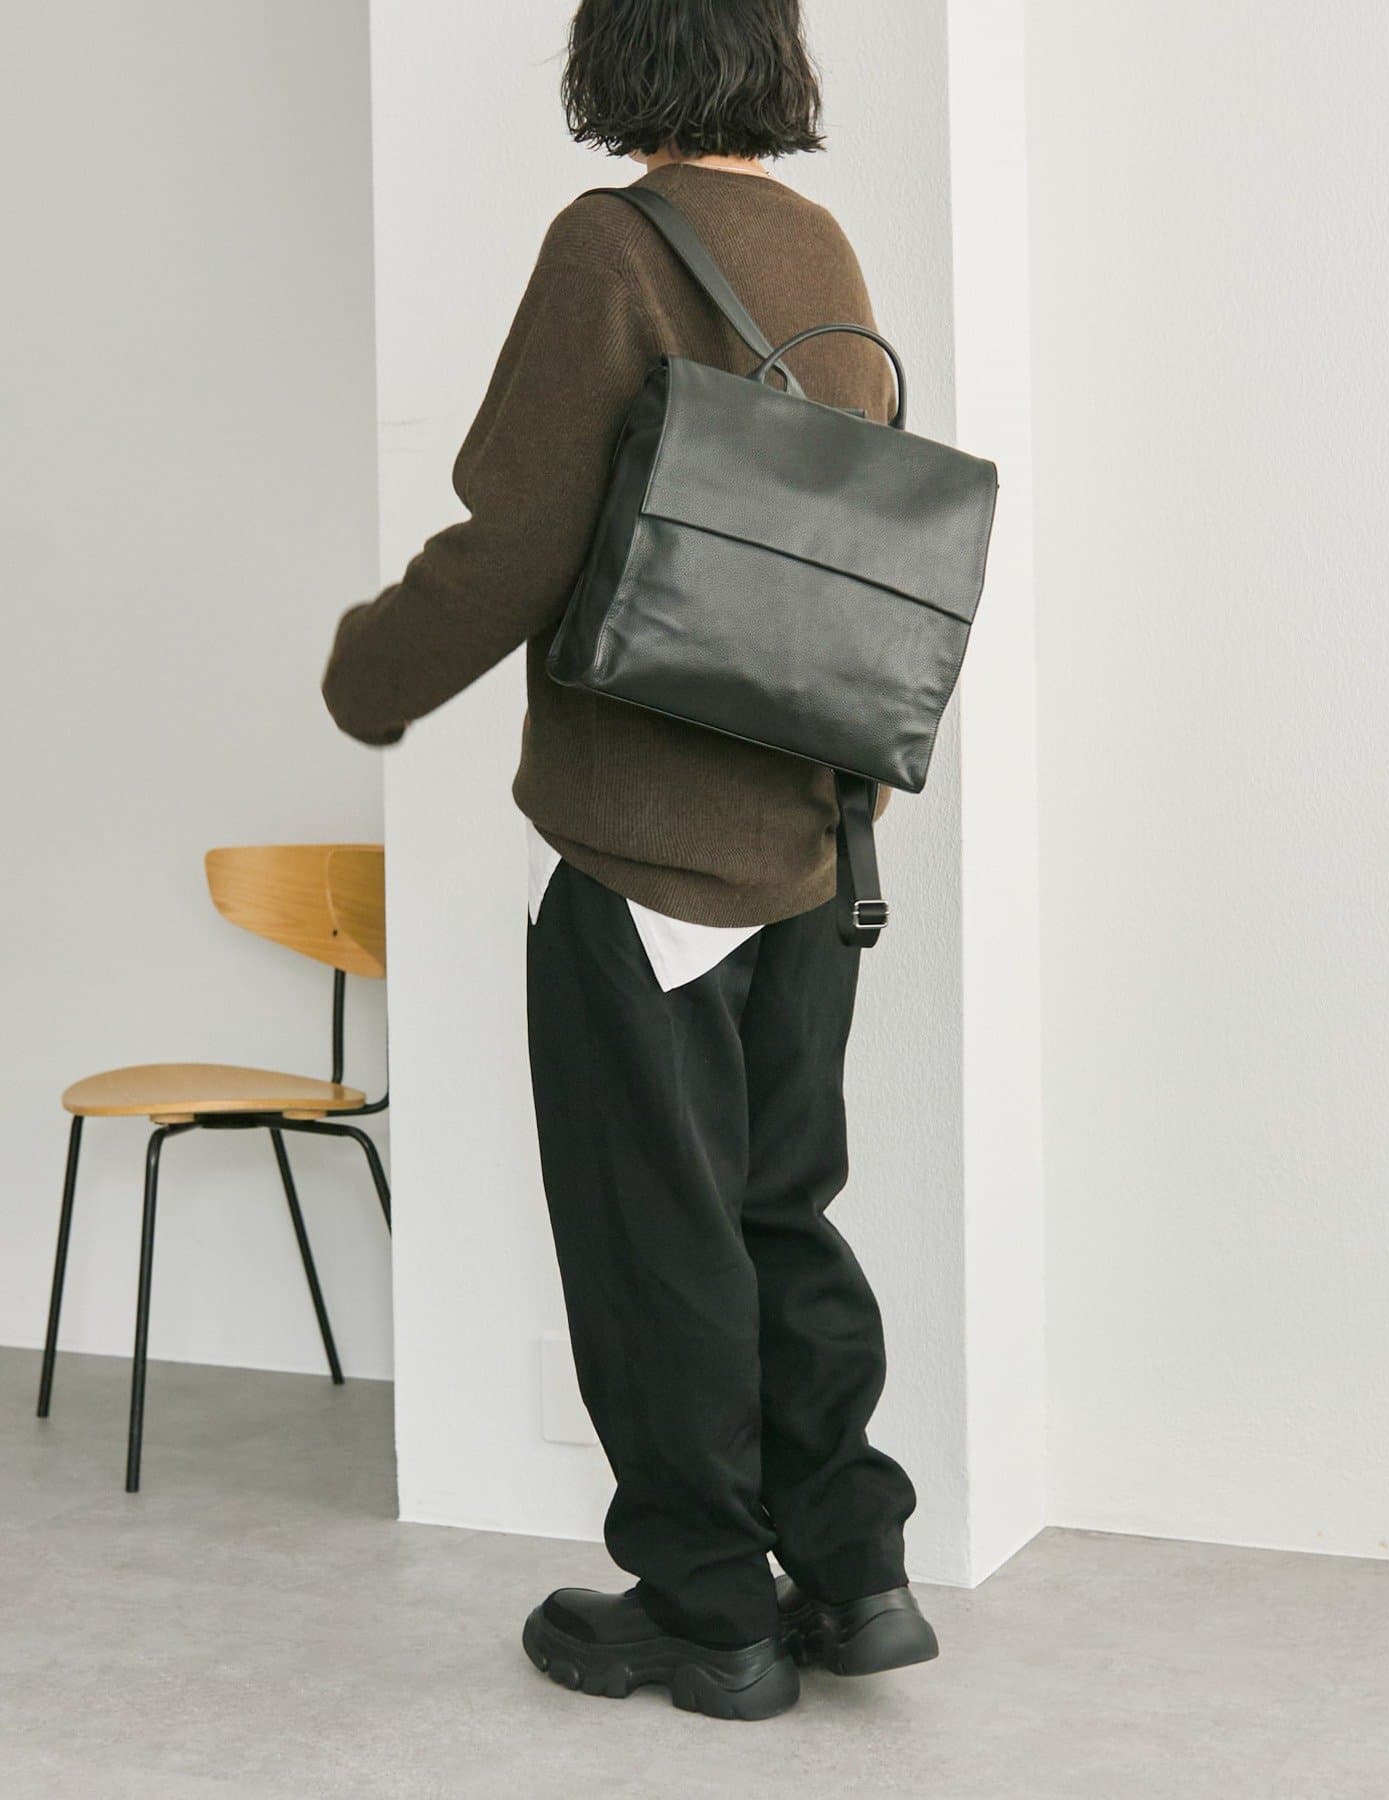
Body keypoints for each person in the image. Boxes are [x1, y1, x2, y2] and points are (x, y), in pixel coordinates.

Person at [321, 0, 935, 1722]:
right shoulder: (816, 244)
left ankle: (710, 1610)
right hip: (816, 836)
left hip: (653, 847)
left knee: (652, 1237)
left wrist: (367, 675)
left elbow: (520, 536)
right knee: (781, 1215)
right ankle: (856, 1572)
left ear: (622, 52)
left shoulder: (611, 244)